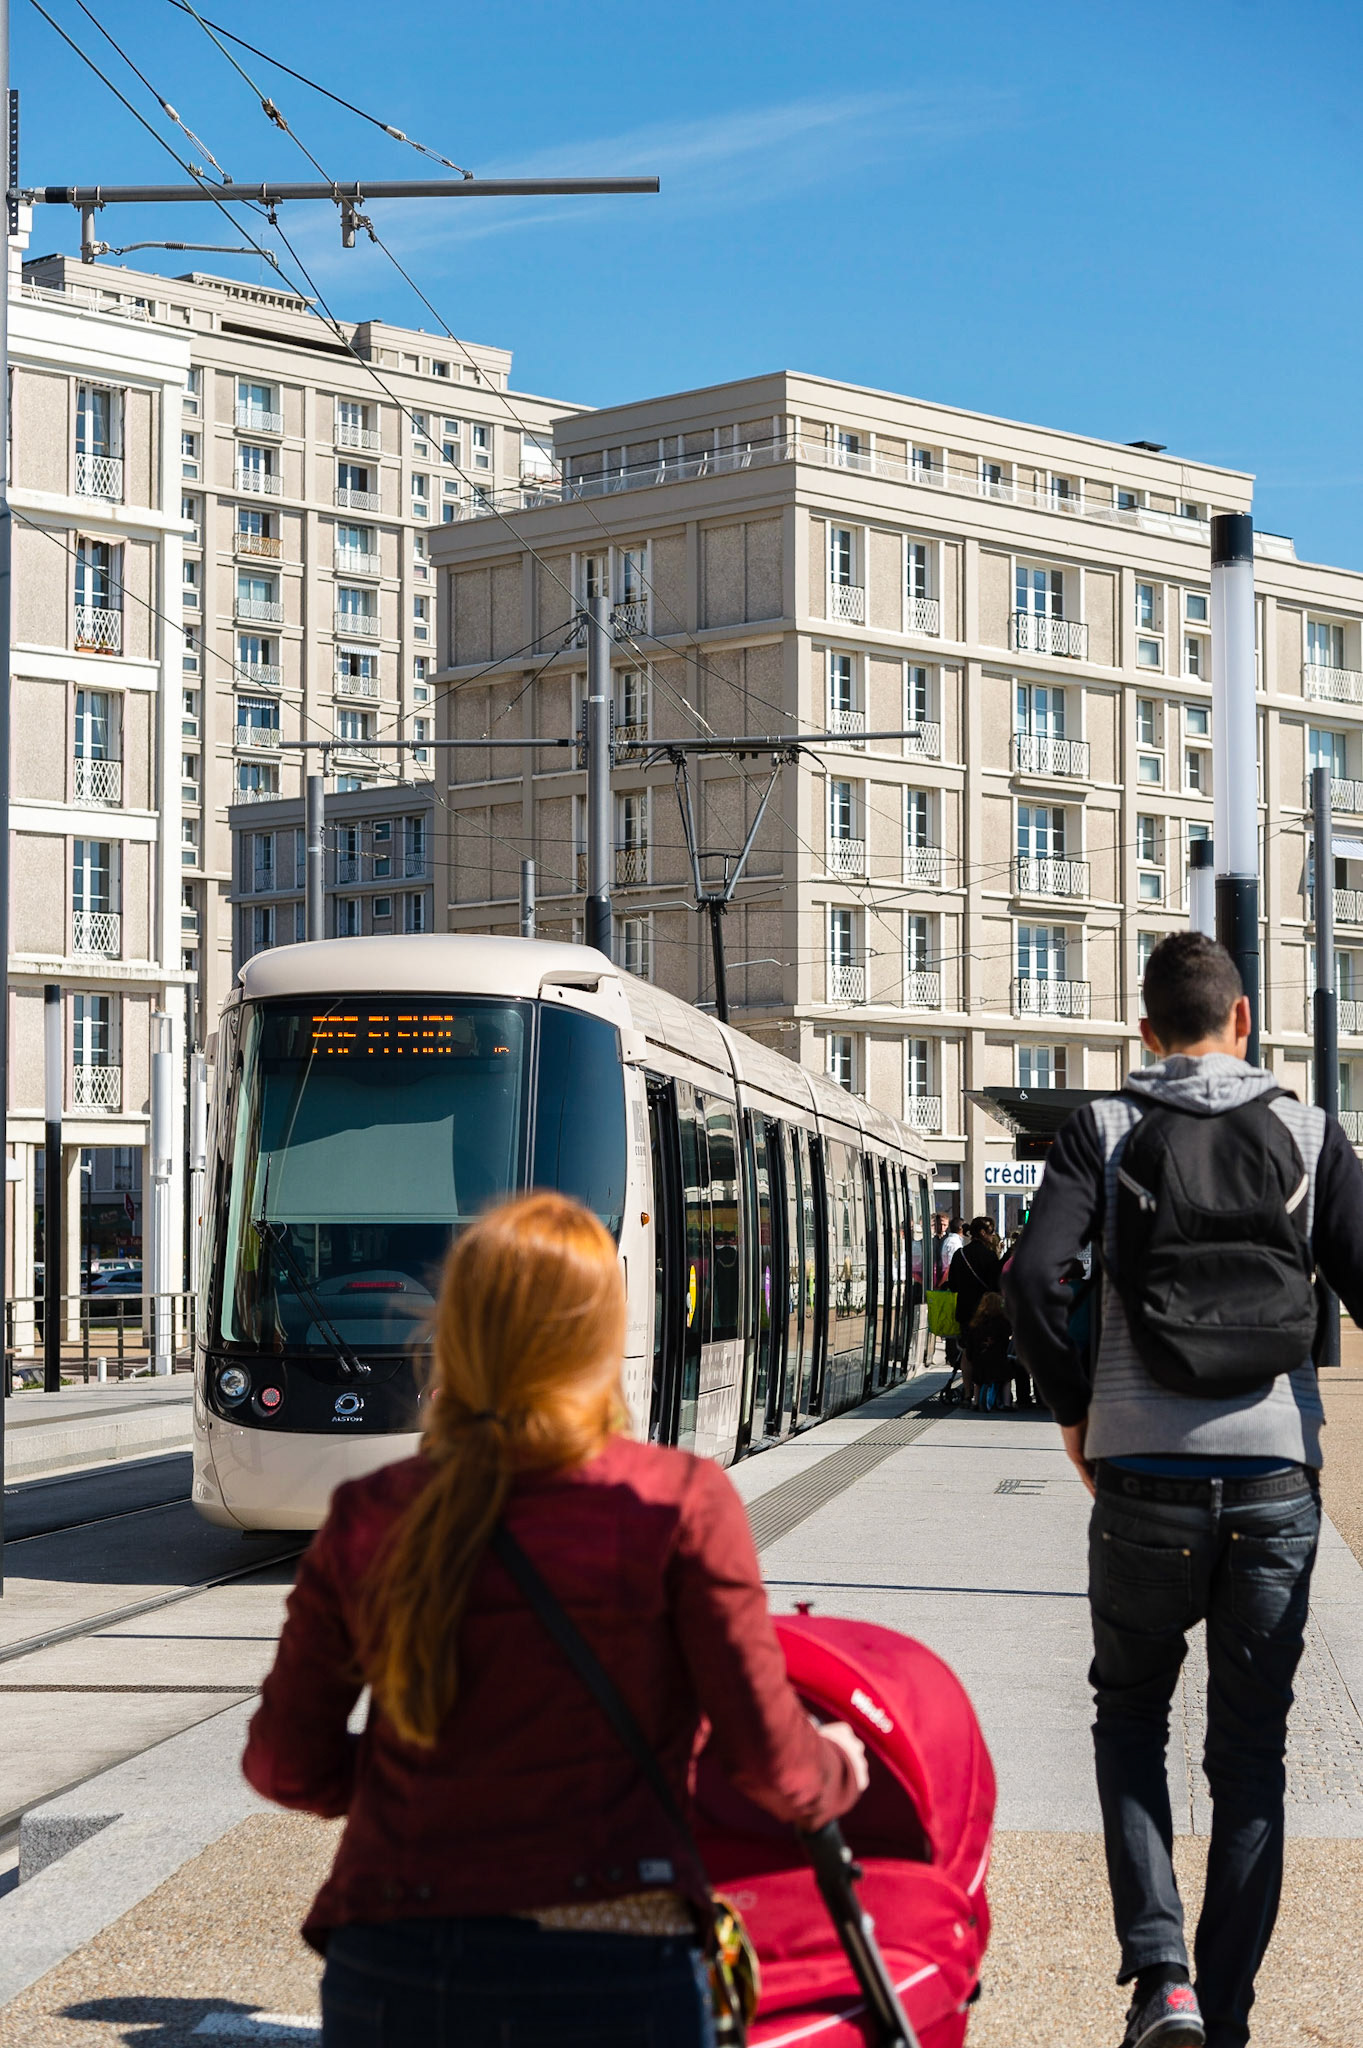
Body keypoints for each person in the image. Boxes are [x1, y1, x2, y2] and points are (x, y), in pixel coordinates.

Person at [244, 1192, 868, 2047]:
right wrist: (835, 1768)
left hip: (397, 1955)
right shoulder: (678, 1502)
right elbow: (765, 1759)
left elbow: (283, 1763)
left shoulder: (371, 1511)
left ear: (455, 1329)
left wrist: (442, 1788)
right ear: (599, 1337)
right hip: (615, 1962)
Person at [1005, 933, 1363, 2048]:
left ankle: (1162, 1977)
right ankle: (1231, 2006)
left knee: (1129, 1716)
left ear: (1144, 1031)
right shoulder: (1309, 1130)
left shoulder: (1101, 1130)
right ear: (1244, 1019)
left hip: (1141, 1474)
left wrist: (1075, 1411)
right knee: (1251, 1750)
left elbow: (1033, 1278)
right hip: (1272, 1484)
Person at [961, 1290, 1012, 1410]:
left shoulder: (975, 1323)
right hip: (998, 1361)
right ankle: (1006, 1404)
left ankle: (976, 1402)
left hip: (979, 1360)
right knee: (1006, 1379)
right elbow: (1007, 1337)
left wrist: (971, 1356)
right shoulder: (1003, 1322)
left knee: (978, 1381)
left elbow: (970, 1344)